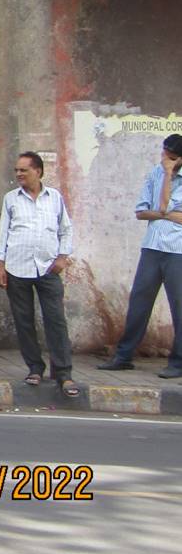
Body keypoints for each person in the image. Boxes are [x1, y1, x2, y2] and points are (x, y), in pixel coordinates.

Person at [98, 134, 182, 378]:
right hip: (152, 247)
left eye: (172, 157)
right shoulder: (156, 173)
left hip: (177, 250)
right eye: (164, 154)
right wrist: (169, 213)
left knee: (179, 306)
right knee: (139, 302)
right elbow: (142, 211)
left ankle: (178, 362)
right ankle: (124, 356)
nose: (165, 160)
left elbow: (159, 208)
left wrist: (161, 209)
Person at [0, 151, 78, 396]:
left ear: (38, 171)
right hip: (17, 267)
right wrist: (0, 266)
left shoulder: (54, 198)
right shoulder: (11, 199)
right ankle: (34, 368)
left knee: (56, 320)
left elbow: (66, 229)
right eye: (17, 170)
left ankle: (63, 373)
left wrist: (62, 257)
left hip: (48, 267)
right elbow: (3, 233)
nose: (19, 174)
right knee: (24, 321)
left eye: (24, 170)